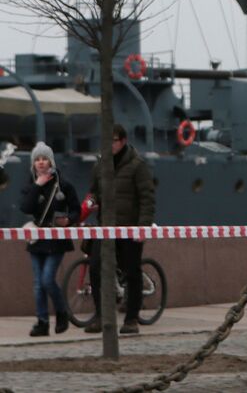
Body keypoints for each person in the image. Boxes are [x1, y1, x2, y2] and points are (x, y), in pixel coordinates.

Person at [85, 123, 155, 334]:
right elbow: (94, 191)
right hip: (105, 228)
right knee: (96, 268)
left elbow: (147, 198)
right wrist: (91, 200)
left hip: (129, 229)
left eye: (112, 140)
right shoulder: (100, 166)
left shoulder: (137, 165)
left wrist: (142, 227)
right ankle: (100, 316)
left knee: (131, 271)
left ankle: (131, 319)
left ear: (122, 141)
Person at [20, 142, 81, 337]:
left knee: (47, 280)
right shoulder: (31, 184)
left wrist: (69, 220)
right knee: (38, 283)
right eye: (37, 159)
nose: (40, 163)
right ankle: (42, 322)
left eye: (44, 159)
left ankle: (62, 312)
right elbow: (26, 207)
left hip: (56, 239)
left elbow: (76, 210)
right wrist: (37, 185)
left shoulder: (64, 184)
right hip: (37, 238)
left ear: (51, 161)